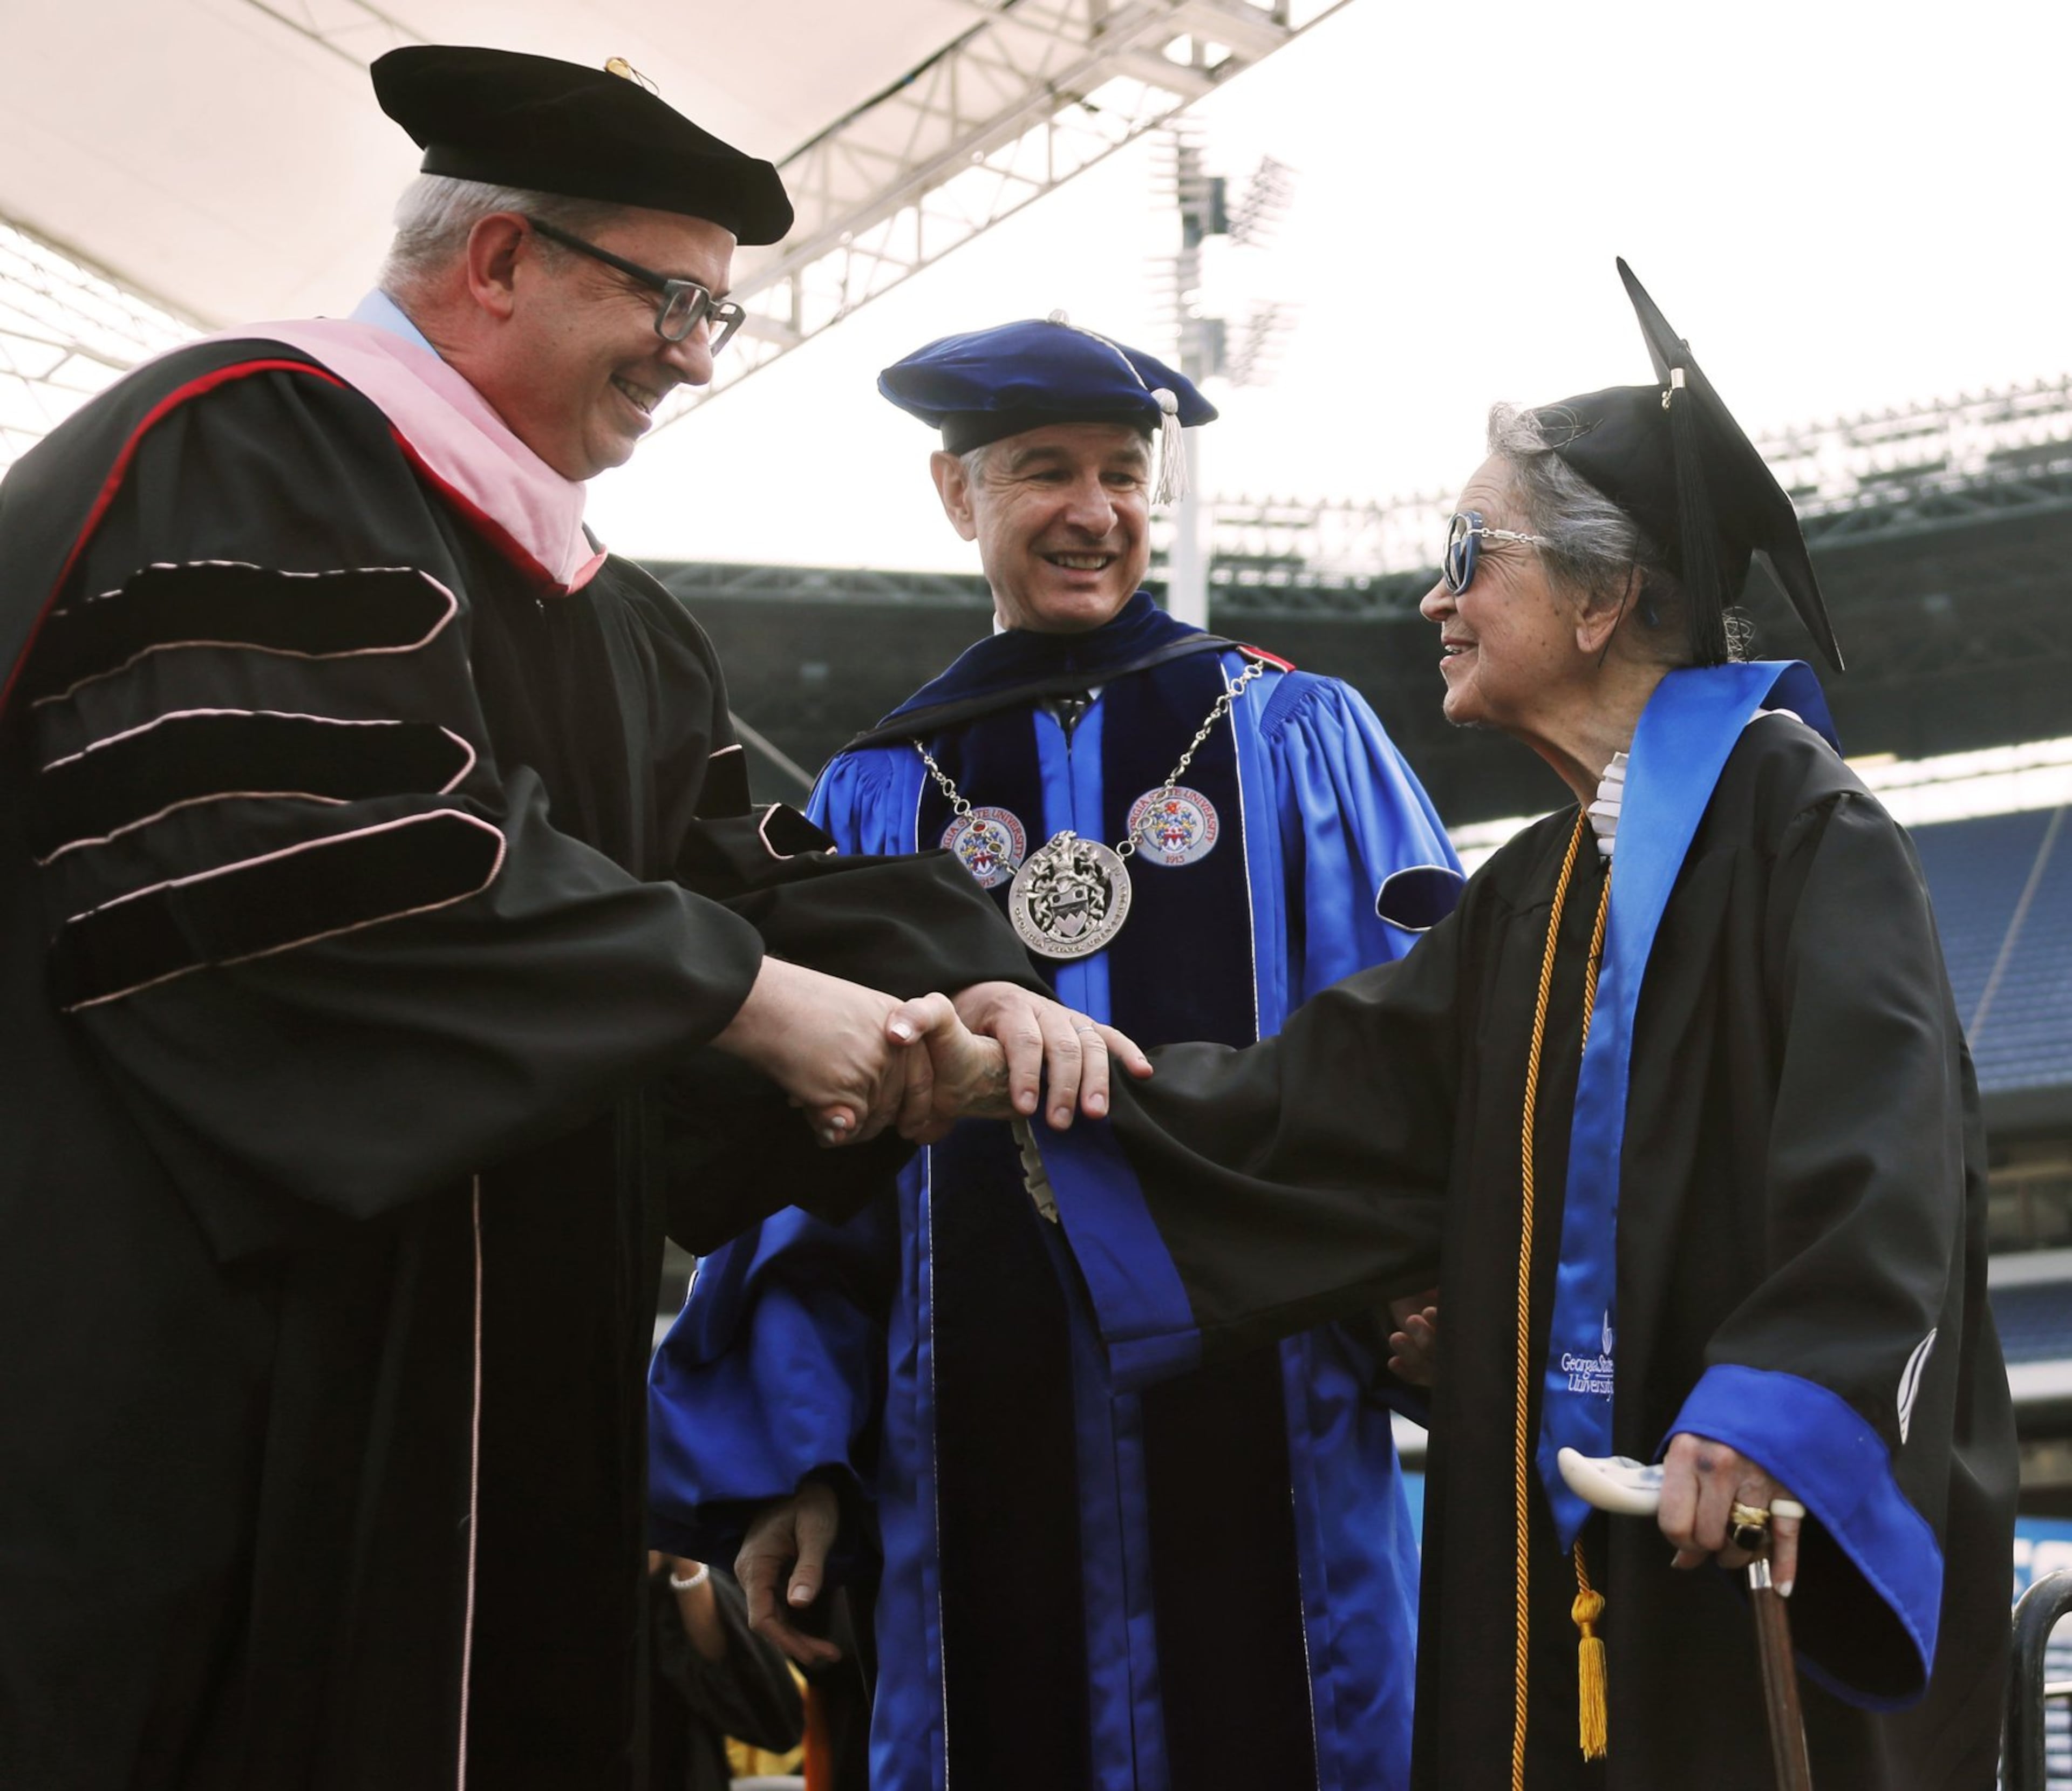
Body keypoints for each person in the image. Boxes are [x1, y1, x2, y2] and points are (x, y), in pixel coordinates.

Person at [0, 48, 1133, 1790]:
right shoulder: (238, 447)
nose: (693, 350)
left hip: (503, 1414)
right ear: (501, 259)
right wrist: (751, 1002)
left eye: (715, 317)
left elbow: (740, 877)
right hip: (212, 1384)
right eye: (669, 297)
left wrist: (966, 995)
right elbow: (316, 863)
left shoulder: (621, 623)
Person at [1001, 264, 2018, 1787]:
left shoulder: (1803, 829)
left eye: (1471, 553)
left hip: (1733, 1536)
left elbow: (1893, 1158)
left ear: (1605, 597)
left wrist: (1775, 1411)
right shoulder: (1539, 890)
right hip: (1549, 1546)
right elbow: (1316, 1105)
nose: (1436, 598)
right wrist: (1022, 1076)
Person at [648, 316, 1464, 1791]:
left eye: (1123, 474)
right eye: (1044, 473)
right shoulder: (882, 790)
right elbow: (808, 1155)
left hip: (1271, 1413)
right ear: (957, 496)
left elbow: (1416, 1061)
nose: (1094, 511)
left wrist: (1439, 1288)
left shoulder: (1294, 737)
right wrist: (797, 1458)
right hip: (965, 1451)